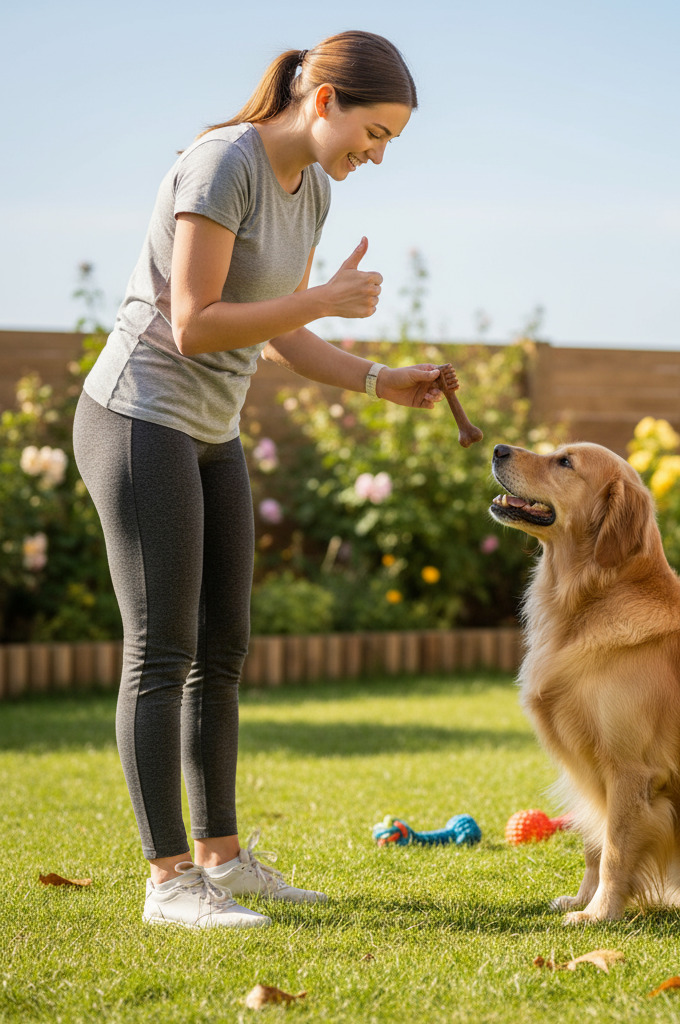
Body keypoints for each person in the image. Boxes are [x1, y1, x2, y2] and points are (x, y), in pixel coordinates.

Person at [73, 31, 439, 929]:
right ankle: (169, 885)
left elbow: (274, 333)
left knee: (223, 648)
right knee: (163, 653)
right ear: (323, 102)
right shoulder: (220, 164)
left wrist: (376, 380)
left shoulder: (308, 187)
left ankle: (222, 863)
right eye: (375, 131)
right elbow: (196, 324)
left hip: (210, 430)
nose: (377, 154)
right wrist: (322, 299)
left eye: (391, 140)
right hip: (138, 417)